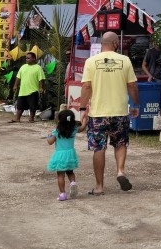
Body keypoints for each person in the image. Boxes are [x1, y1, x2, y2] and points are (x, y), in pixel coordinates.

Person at [77, 31, 138, 194]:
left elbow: (86, 87)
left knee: (99, 148)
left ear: (102, 43)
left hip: (98, 113)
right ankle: (120, 171)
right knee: (120, 144)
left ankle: (99, 187)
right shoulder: (125, 61)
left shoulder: (90, 62)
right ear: (116, 44)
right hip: (119, 112)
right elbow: (132, 86)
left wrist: (83, 109)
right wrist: (136, 105)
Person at [45, 109, 80, 201]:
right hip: (70, 154)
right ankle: (72, 183)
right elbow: (82, 128)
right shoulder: (74, 129)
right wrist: (84, 120)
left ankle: (62, 194)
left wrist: (48, 136)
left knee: (60, 175)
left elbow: (50, 142)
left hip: (60, 156)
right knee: (70, 172)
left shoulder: (57, 131)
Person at [12, 51, 45, 123]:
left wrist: (41, 87)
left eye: (28, 58)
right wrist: (15, 85)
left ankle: (31, 118)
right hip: (23, 91)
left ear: (33, 59)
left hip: (33, 90)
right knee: (20, 105)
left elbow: (41, 79)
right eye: (26, 58)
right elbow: (18, 77)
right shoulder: (23, 67)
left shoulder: (38, 68)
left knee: (32, 106)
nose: (26, 59)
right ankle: (17, 118)